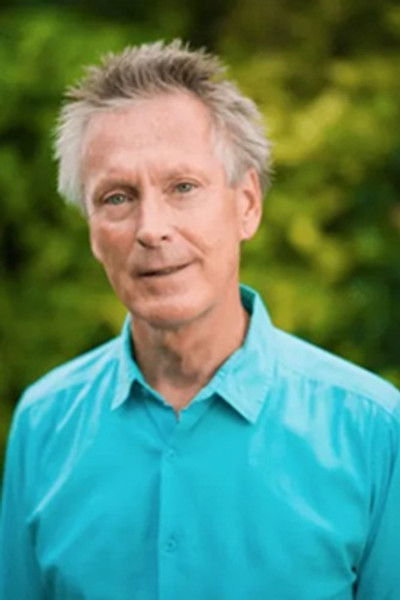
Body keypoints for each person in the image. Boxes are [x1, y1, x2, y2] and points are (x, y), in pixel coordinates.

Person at [1, 39, 399, 600]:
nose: (150, 228)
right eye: (117, 197)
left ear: (247, 205)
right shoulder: (43, 424)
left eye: (183, 187)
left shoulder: (372, 427)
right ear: (91, 230)